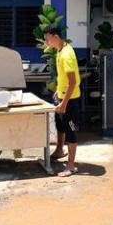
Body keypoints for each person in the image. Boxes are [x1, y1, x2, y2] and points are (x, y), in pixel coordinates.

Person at [44, 25, 80, 177]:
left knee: (71, 131)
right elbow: (63, 78)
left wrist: (64, 102)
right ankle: (59, 150)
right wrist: (59, 90)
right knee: (60, 125)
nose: (46, 42)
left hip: (70, 99)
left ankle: (71, 166)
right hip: (62, 95)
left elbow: (72, 82)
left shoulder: (67, 55)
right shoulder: (59, 51)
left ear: (56, 37)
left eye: (47, 39)